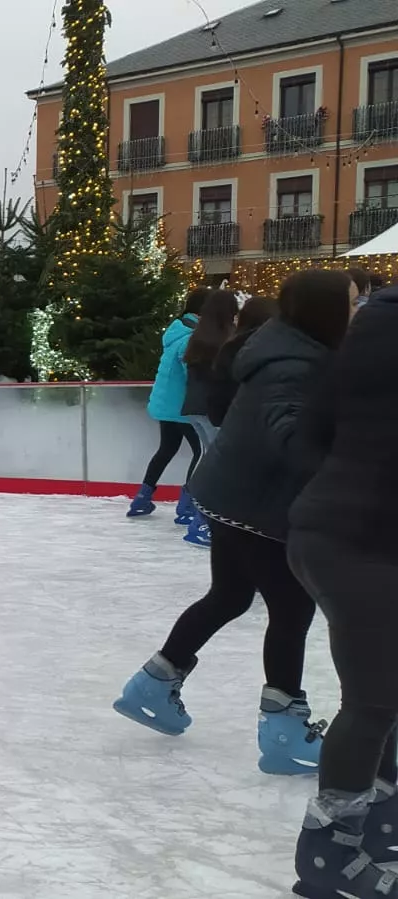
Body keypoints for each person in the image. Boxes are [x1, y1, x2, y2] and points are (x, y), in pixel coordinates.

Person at [113, 269, 354, 777]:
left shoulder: (287, 347)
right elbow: (289, 432)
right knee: (291, 609)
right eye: (353, 302)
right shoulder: (297, 363)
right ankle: (285, 728)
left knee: (229, 597)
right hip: (259, 505)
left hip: (231, 496)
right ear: (327, 311)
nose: (359, 310)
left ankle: (153, 684)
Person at [284, 281, 398, 899]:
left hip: (329, 528)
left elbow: (312, 431)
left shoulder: (367, 328)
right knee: (374, 700)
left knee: (383, 691)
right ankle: (329, 853)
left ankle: (375, 822)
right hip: (366, 542)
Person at [128, 289, 207, 521]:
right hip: (182, 407)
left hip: (166, 405)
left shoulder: (177, 330)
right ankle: (188, 505)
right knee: (201, 451)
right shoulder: (192, 337)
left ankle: (142, 497)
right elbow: (192, 374)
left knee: (167, 449)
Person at [176, 290, 241, 547]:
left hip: (194, 408)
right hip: (213, 410)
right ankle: (202, 520)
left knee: (208, 458)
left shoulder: (198, 337)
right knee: (219, 464)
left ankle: (190, 506)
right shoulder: (226, 339)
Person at [206, 296, 277, 427]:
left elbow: (220, 389)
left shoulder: (231, 347)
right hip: (273, 424)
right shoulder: (286, 346)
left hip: (237, 422)